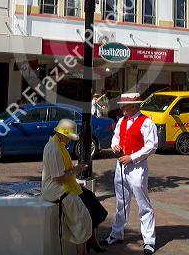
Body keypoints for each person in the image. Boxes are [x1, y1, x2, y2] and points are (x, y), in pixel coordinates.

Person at [102, 93, 158, 255]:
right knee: (121, 201)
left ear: (134, 107)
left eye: (125, 106)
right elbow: (116, 138)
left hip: (137, 167)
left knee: (143, 203)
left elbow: (151, 146)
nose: (122, 108)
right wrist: (115, 146)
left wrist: (132, 157)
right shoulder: (122, 121)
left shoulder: (146, 123)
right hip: (121, 165)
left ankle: (149, 241)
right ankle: (117, 233)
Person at [42, 119, 108, 255]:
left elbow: (63, 173)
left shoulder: (58, 145)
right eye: (69, 137)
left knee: (90, 202)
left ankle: (89, 243)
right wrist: (76, 170)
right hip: (58, 189)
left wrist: (74, 170)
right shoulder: (54, 149)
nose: (70, 140)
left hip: (66, 185)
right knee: (83, 218)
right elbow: (58, 178)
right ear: (63, 134)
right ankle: (83, 250)